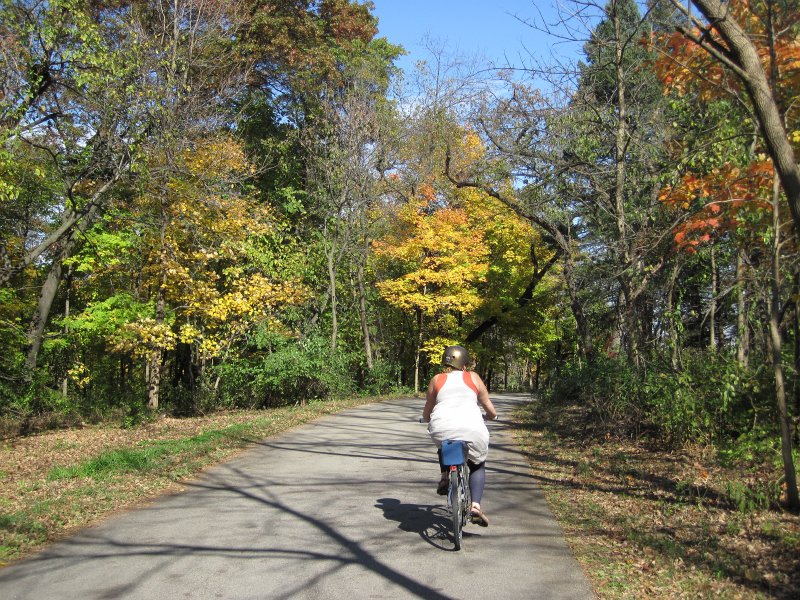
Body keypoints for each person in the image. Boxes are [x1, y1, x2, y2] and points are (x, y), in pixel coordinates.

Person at [421, 345, 497, 527]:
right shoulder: (473, 377)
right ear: (464, 364)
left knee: (444, 444)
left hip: (442, 427)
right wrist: (492, 416)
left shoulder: (436, 379)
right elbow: (487, 405)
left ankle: (445, 477)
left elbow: (427, 411)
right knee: (477, 464)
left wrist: (426, 419)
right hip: (471, 427)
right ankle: (476, 507)